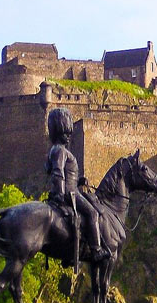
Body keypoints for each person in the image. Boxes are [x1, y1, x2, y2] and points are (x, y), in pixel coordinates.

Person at [45, 108, 110, 262]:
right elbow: (57, 172)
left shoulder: (54, 150)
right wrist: (61, 194)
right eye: (66, 133)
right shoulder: (61, 151)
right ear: (60, 132)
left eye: (69, 133)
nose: (69, 136)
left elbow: (54, 171)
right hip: (70, 193)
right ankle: (96, 249)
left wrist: (79, 180)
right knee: (92, 213)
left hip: (70, 188)